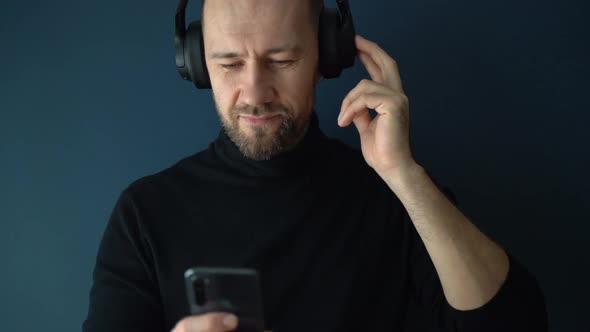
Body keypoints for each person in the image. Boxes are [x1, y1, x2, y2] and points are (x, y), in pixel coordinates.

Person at [82, 0, 548, 331]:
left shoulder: (392, 198)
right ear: (195, 64)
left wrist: (403, 175)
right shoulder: (144, 214)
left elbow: (517, 323)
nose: (255, 91)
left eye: (281, 59)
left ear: (326, 54)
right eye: (228, 64)